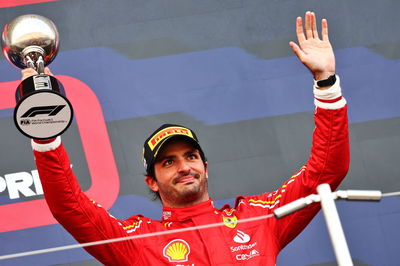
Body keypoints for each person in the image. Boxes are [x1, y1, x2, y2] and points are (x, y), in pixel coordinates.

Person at [25, 11, 349, 265]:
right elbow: (70, 208)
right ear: (152, 181)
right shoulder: (137, 243)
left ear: (206, 166)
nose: (184, 167)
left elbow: (326, 172)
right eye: (168, 161)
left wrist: (326, 82)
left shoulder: (259, 217)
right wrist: (45, 128)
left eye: (190, 157)